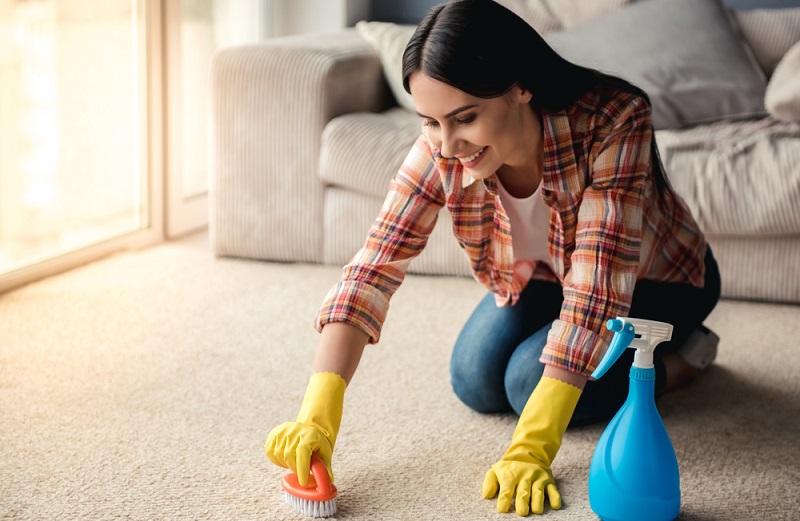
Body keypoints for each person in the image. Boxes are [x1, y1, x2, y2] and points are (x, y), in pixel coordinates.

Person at [265, 0, 721, 516]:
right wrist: (317, 413)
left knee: (527, 384)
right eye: (431, 122)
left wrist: (532, 448)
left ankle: (679, 360)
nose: (448, 144)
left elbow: (597, 290)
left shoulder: (614, 120)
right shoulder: (442, 147)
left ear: (520, 86)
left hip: (658, 281)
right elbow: (376, 263)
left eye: (465, 118)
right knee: (475, 379)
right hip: (547, 277)